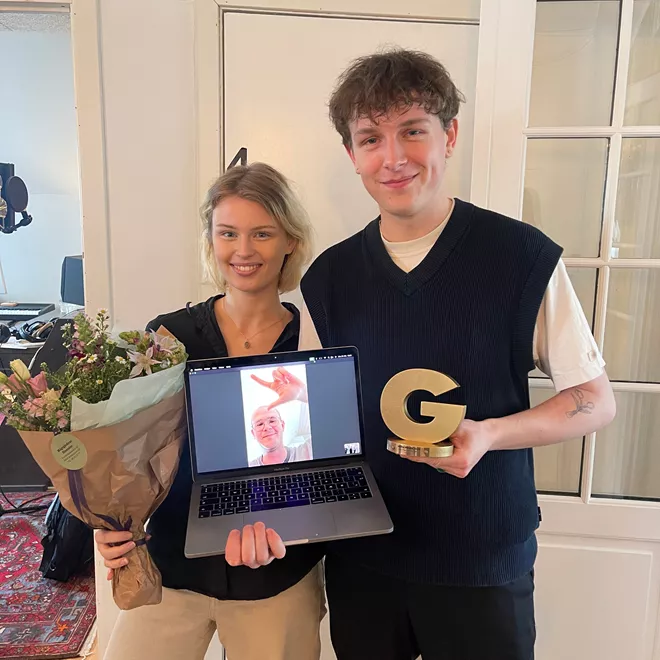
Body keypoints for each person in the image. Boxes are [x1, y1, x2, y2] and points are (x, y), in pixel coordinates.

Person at [299, 49, 617, 660]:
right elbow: (314, 421)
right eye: (371, 138)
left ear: (449, 136)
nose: (393, 157)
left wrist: (490, 434)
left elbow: (594, 402)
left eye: (412, 131)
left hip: (481, 558)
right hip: (363, 561)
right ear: (352, 154)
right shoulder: (328, 279)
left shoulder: (521, 258)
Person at [96, 163, 325, 660]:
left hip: (279, 575)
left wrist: (305, 400)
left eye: (262, 233)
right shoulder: (167, 337)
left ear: (290, 240)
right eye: (228, 233)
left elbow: (330, 456)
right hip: (170, 570)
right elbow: (127, 452)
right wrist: (109, 523)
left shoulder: (316, 342)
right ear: (211, 240)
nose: (243, 251)